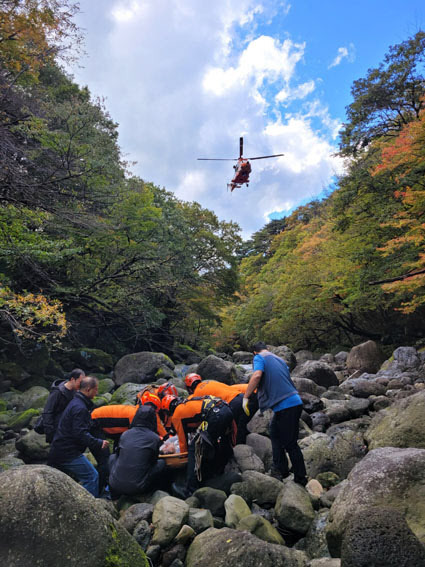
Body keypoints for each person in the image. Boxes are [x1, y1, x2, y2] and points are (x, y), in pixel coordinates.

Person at [243, 341, 307, 486]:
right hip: (292, 402)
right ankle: (281, 469)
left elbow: (257, 376)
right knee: (274, 433)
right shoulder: (279, 359)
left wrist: (246, 397)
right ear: (267, 348)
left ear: (254, 352)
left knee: (291, 444)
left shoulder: (259, 357)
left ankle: (301, 479)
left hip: (287, 406)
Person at [161, 394, 234, 499]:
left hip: (215, 416)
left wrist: (183, 458)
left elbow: (183, 443)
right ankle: (217, 472)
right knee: (214, 442)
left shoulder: (176, 415)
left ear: (168, 411)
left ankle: (190, 489)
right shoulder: (188, 402)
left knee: (194, 448)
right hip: (225, 409)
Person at [47, 376, 109, 497]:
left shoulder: (76, 401)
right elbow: (79, 434)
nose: (97, 392)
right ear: (88, 389)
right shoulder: (79, 408)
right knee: (92, 476)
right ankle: (87, 507)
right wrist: (98, 442)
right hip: (67, 451)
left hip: (60, 448)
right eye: (95, 389)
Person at [108, 405, 167, 496]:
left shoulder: (125, 434)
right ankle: (153, 491)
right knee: (162, 463)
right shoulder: (154, 438)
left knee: (112, 457)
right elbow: (153, 461)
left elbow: (118, 454)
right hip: (138, 487)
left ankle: (110, 490)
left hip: (115, 484)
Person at [184, 373, 258, 444]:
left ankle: (239, 450)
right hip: (242, 397)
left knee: (233, 432)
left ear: (189, 389)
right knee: (241, 425)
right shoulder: (210, 382)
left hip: (232, 403)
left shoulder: (197, 394)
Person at [40, 369, 85, 443]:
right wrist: (50, 433)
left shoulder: (76, 392)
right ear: (72, 379)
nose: (81, 385)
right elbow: (47, 412)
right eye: (80, 382)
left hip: (67, 429)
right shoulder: (57, 392)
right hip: (55, 428)